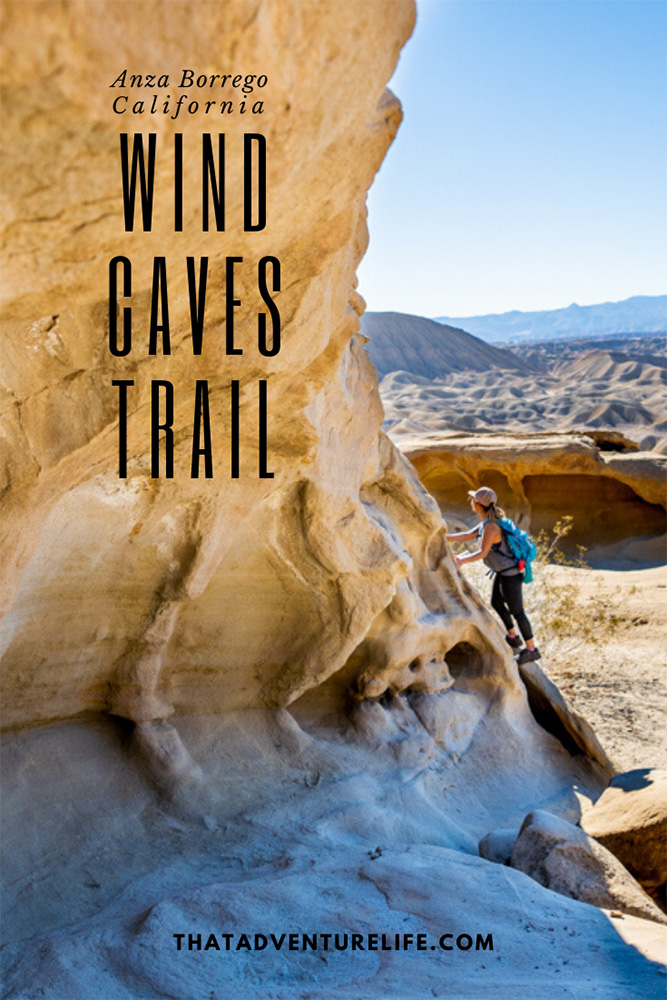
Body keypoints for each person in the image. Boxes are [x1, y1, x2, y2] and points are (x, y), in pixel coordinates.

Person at [446, 486, 541, 664]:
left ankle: (531, 649)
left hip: (510, 574)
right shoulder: (486, 523)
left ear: (479, 505)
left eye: (473, 500)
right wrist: (443, 536)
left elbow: (482, 552)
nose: (471, 502)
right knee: (496, 602)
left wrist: (462, 561)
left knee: (517, 611)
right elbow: (468, 535)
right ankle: (513, 637)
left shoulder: (491, 527)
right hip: (503, 572)